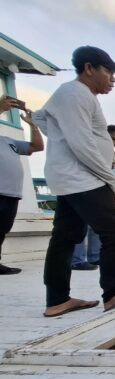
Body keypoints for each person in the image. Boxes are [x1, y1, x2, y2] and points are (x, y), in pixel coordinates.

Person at [34, 46, 115, 317]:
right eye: (108, 71)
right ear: (89, 69)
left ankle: (57, 300)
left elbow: (39, 116)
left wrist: (58, 138)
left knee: (65, 237)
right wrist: (113, 182)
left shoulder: (76, 95)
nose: (113, 78)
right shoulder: (75, 93)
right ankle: (113, 294)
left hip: (71, 177)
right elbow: (83, 145)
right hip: (82, 179)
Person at [72, 124, 115, 271]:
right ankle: (76, 260)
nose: (114, 143)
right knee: (80, 224)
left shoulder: (114, 155)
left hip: (105, 192)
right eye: (112, 139)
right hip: (87, 189)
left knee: (97, 226)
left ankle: (94, 257)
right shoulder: (92, 148)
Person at [0, 96, 44, 275]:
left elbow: (37, 146)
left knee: (2, 229)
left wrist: (33, 125)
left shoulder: (7, 140)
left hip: (12, 193)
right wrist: (1, 108)